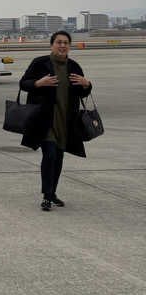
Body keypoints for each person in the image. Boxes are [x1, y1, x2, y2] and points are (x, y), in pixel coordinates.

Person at [19, 30, 92, 211]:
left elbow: (82, 92)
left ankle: (52, 193)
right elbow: (23, 83)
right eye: (58, 42)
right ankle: (46, 196)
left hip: (66, 121)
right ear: (52, 45)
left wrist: (87, 84)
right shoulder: (40, 63)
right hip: (45, 120)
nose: (62, 46)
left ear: (69, 46)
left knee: (58, 158)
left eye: (65, 42)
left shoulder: (74, 66)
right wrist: (38, 83)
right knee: (49, 154)